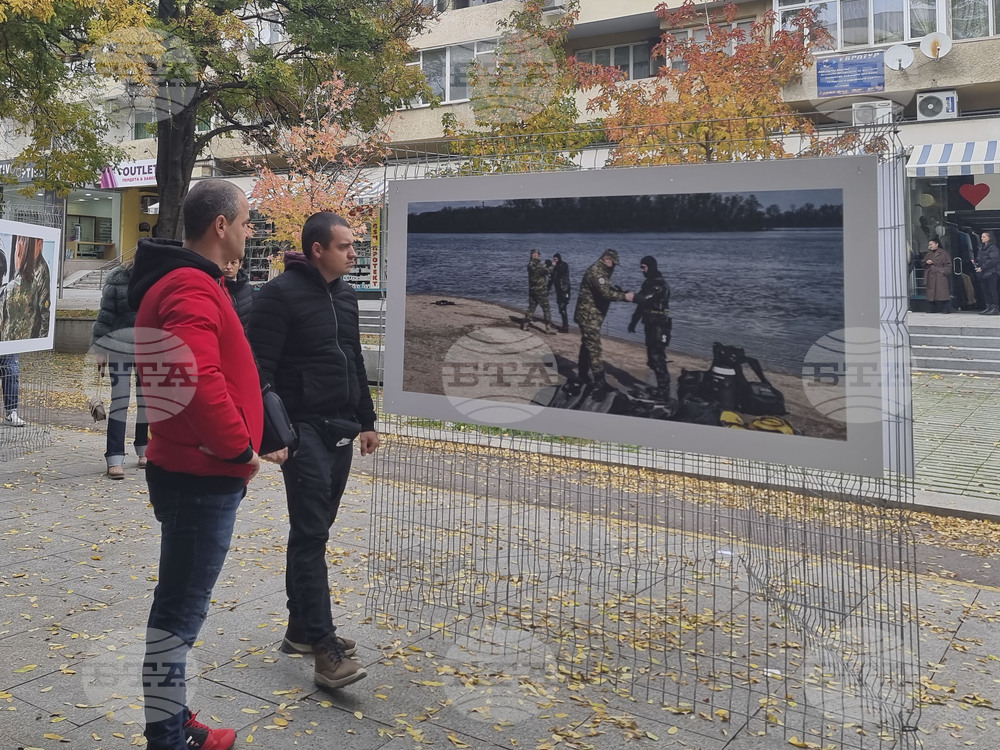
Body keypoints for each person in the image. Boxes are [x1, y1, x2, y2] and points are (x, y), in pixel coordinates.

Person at [127, 179, 279, 750]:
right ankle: (167, 737)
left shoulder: (188, 281)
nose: (249, 230)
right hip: (200, 475)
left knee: (177, 608)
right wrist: (238, 446)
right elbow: (193, 376)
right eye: (245, 221)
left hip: (189, 468)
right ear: (220, 225)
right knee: (178, 617)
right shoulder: (190, 285)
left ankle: (170, 722)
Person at [247, 211, 378, 691]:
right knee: (310, 534)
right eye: (345, 246)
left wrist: (367, 420)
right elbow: (258, 369)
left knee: (315, 530)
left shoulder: (346, 295)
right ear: (318, 249)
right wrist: (272, 435)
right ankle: (324, 649)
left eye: (354, 246)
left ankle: (301, 629)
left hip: (341, 427)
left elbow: (354, 358)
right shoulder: (278, 295)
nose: (354, 254)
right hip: (302, 432)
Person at [92, 261, 148, 478]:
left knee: (147, 401)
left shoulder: (156, 276)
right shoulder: (117, 278)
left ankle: (145, 449)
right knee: (120, 400)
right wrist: (99, 348)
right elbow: (105, 315)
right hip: (119, 348)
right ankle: (115, 457)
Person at [573, 249, 633, 390]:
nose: (614, 267)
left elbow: (605, 289)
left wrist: (620, 292)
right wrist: (625, 297)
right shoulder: (596, 272)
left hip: (591, 316)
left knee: (587, 345)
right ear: (607, 259)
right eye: (613, 263)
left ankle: (582, 375)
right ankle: (600, 382)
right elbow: (605, 293)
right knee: (594, 348)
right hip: (588, 316)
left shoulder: (602, 271)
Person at [628, 255, 672, 401]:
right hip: (651, 324)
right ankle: (661, 387)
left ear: (650, 267)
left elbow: (644, 298)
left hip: (660, 325)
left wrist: (628, 296)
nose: (642, 270)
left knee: (657, 357)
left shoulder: (659, 284)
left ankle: (664, 391)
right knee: (653, 359)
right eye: (641, 267)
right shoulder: (648, 283)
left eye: (644, 267)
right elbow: (642, 305)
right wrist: (633, 321)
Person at [3, 235, 51, 340]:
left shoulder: (41, 270)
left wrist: (42, 340)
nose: (18, 252)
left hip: (30, 332)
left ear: (39, 244)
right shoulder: (25, 266)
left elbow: (45, 311)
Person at [520, 248, 554, 334]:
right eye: (538, 255)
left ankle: (525, 325)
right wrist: (552, 265)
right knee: (546, 308)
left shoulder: (530, 264)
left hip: (532, 290)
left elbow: (541, 271)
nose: (539, 256)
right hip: (540, 290)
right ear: (534, 255)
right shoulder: (537, 265)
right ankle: (548, 328)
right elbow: (547, 271)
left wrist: (546, 266)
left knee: (531, 307)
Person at [222, 257, 254, 328]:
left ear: (240, 265)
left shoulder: (248, 289)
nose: (229, 267)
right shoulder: (216, 287)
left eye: (233, 263)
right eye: (225, 263)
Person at [922, 237, 951, 314]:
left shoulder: (943, 253)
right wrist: (926, 262)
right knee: (931, 292)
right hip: (931, 275)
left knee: (942, 292)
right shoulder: (928, 254)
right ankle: (932, 308)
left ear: (936, 244)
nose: (930, 246)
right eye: (929, 244)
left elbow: (948, 265)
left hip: (940, 275)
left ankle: (946, 309)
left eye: (931, 244)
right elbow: (923, 263)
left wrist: (942, 271)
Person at [975, 231, 1000, 316]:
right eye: (982, 237)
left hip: (991, 272)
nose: (982, 238)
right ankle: (988, 306)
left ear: (989, 238)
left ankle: (995, 308)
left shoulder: (993, 248)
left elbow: (994, 260)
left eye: (984, 237)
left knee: (992, 290)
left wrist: (983, 267)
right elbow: (980, 258)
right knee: (985, 291)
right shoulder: (981, 247)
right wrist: (976, 264)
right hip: (983, 273)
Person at [548, 252, 571, 333]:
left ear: (559, 259)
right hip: (558, 290)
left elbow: (560, 269)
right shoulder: (554, 268)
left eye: (556, 259)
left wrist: (553, 266)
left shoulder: (564, 265)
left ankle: (565, 327)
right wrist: (547, 288)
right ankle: (565, 325)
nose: (555, 261)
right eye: (554, 259)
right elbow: (551, 279)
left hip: (565, 289)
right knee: (560, 308)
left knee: (563, 307)